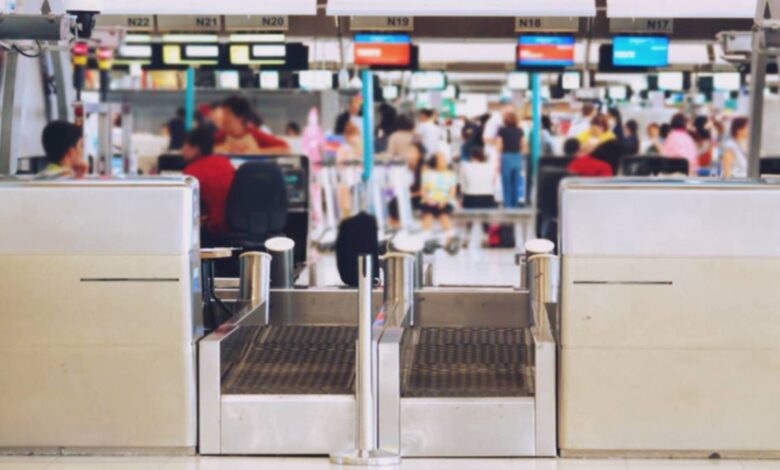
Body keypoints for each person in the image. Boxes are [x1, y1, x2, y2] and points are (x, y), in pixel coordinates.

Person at [181, 127, 236, 244]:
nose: (182, 150)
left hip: (215, 230)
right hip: (234, 226)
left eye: (185, 146)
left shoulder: (191, 172)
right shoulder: (225, 162)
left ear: (196, 149)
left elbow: (187, 208)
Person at [215, 96, 289, 155]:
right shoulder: (222, 135)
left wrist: (253, 152)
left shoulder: (254, 134)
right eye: (223, 113)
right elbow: (206, 149)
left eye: (227, 114)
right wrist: (226, 148)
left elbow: (284, 148)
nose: (223, 118)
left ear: (240, 118)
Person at [421, 144, 457, 232]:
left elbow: (452, 192)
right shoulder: (428, 173)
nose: (444, 161)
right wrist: (428, 200)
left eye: (444, 159)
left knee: (443, 216)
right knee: (428, 216)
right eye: (441, 159)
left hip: (445, 201)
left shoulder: (450, 174)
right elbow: (423, 190)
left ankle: (450, 239)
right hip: (430, 201)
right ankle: (425, 238)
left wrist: (444, 201)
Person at [497, 111, 526, 208]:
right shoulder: (520, 130)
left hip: (506, 157)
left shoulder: (502, 130)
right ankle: (515, 207)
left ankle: (507, 207)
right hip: (517, 157)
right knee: (516, 184)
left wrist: (498, 157)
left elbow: (499, 145)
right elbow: (523, 145)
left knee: (506, 185)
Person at [406, 141, 427, 210]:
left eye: (412, 152)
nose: (409, 154)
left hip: (419, 200)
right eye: (408, 151)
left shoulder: (424, 169)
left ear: (420, 154)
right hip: (406, 198)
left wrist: (410, 195)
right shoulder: (403, 168)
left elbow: (426, 191)